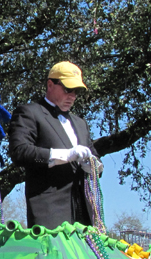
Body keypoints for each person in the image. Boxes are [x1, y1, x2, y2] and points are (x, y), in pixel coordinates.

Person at [8, 61, 101, 229]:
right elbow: (19, 151)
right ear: (50, 85)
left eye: (76, 91)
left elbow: (96, 159)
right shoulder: (30, 112)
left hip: (84, 215)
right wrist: (64, 155)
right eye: (67, 89)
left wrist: (94, 166)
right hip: (50, 213)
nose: (72, 96)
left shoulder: (80, 123)